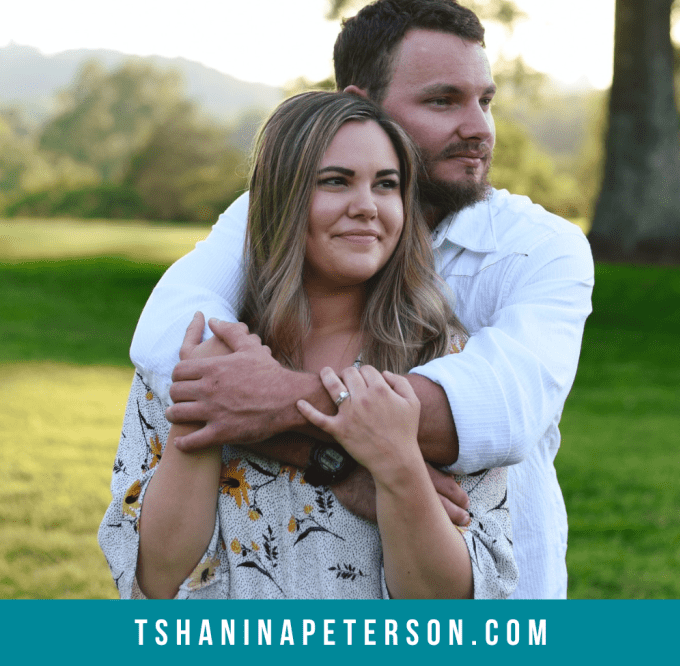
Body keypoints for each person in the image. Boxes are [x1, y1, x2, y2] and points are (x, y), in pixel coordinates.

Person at [129, 0, 594, 599]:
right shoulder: (270, 218)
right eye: (442, 100)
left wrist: (278, 400)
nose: (478, 128)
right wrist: (338, 463)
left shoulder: (540, 247)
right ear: (360, 105)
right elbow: (168, 338)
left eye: (485, 101)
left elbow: (498, 413)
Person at [99, 91, 518, 599]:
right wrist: (199, 412)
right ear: (282, 197)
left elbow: (453, 609)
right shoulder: (205, 354)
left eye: (386, 185)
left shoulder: (445, 366)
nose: (365, 206)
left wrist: (397, 465)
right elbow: (158, 585)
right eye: (335, 181)